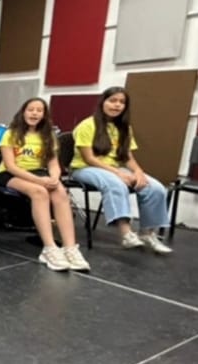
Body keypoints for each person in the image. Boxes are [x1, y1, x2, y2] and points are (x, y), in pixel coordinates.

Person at [69, 86, 172, 254]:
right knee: (116, 183)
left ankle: (147, 233)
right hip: (85, 168)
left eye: (121, 102)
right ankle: (126, 234)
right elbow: (89, 158)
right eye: (113, 100)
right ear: (103, 102)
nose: (117, 105)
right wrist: (118, 173)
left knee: (155, 188)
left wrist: (138, 172)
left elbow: (127, 156)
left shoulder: (125, 128)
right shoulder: (87, 125)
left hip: (115, 168)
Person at [0, 98, 91, 271]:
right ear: (23, 112)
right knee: (39, 192)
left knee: (60, 192)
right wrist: (40, 181)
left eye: (39, 110)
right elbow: (11, 166)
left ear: (44, 115)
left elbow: (53, 164)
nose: (34, 113)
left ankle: (70, 248)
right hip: (11, 174)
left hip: (39, 173)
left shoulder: (49, 136)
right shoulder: (11, 133)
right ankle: (49, 248)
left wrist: (54, 177)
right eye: (31, 109)